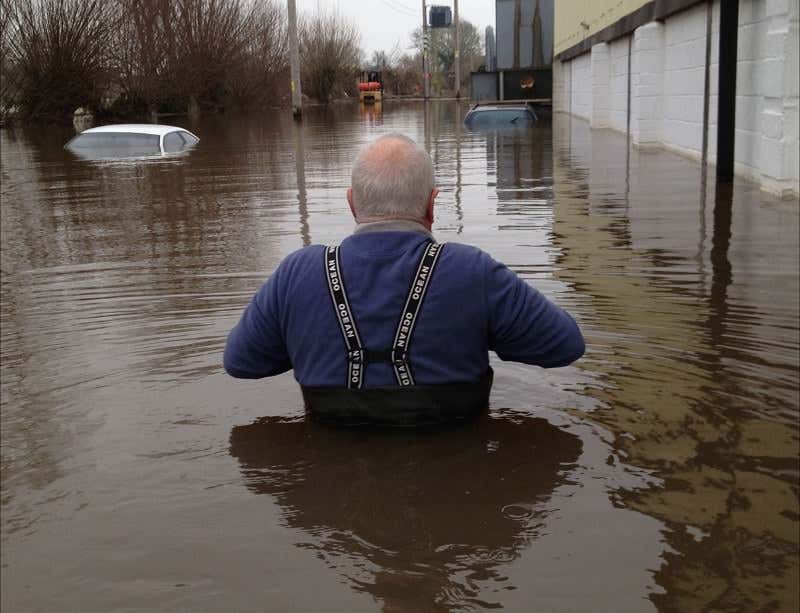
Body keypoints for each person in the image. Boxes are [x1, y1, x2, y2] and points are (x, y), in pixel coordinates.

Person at [224, 133, 584, 425]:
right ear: (432, 204)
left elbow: (240, 363)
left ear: (351, 203)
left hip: (335, 473)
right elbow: (566, 346)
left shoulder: (296, 273)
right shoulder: (473, 271)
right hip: (455, 471)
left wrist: (308, 337)